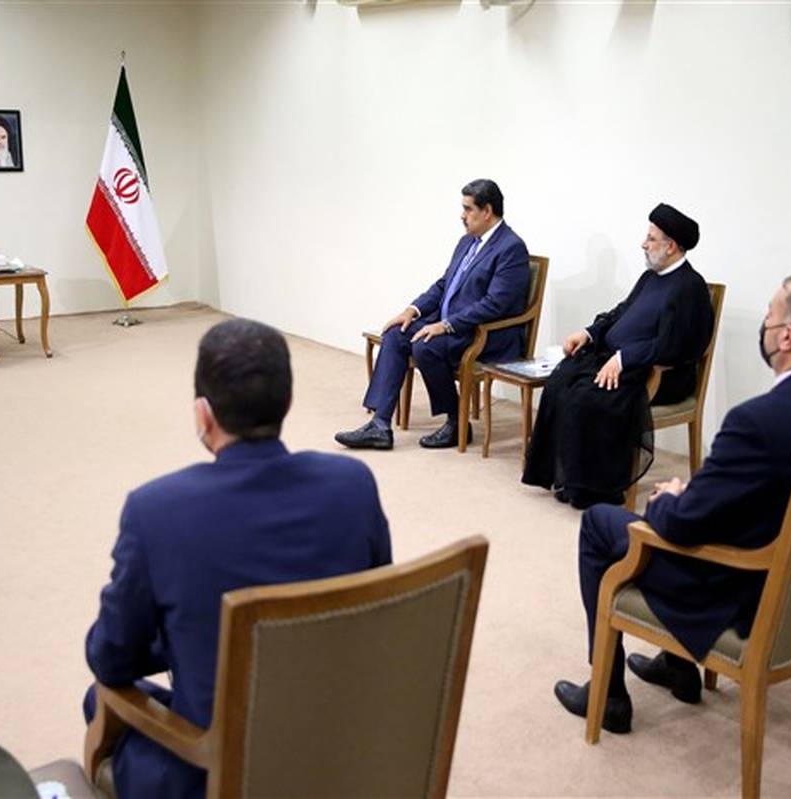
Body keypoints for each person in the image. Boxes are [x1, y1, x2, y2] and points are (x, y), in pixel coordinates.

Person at [84, 318, 393, 798]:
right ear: (287, 401)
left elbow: (111, 658)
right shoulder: (353, 484)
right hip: (339, 749)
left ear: (202, 414)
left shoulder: (156, 510)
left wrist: (178, 637)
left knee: (98, 698)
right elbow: (377, 614)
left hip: (219, 773)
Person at [553, 274, 791, 733]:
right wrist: (696, 494)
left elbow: (682, 526)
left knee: (601, 523)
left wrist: (667, 498)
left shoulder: (754, 421)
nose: (764, 323)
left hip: (738, 589)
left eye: (769, 315)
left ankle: (609, 695)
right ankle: (677, 666)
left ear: (787, 337)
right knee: (682, 502)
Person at [522, 204, 714, 509]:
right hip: (622, 362)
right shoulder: (650, 278)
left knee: (587, 397)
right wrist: (588, 333)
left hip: (660, 375)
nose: (643, 243)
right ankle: (564, 476)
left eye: (651, 238)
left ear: (671, 246)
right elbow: (620, 313)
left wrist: (625, 358)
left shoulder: (690, 287)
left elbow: (675, 345)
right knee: (561, 381)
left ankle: (593, 489)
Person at [335, 179, 530, 450]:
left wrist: (446, 325)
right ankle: (380, 425)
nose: (462, 215)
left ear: (487, 211)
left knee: (425, 346)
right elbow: (444, 285)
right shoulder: (467, 242)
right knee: (396, 334)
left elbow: (495, 304)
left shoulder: (511, 248)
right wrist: (412, 310)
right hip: (452, 325)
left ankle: (455, 422)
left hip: (484, 333)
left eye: (468, 209)